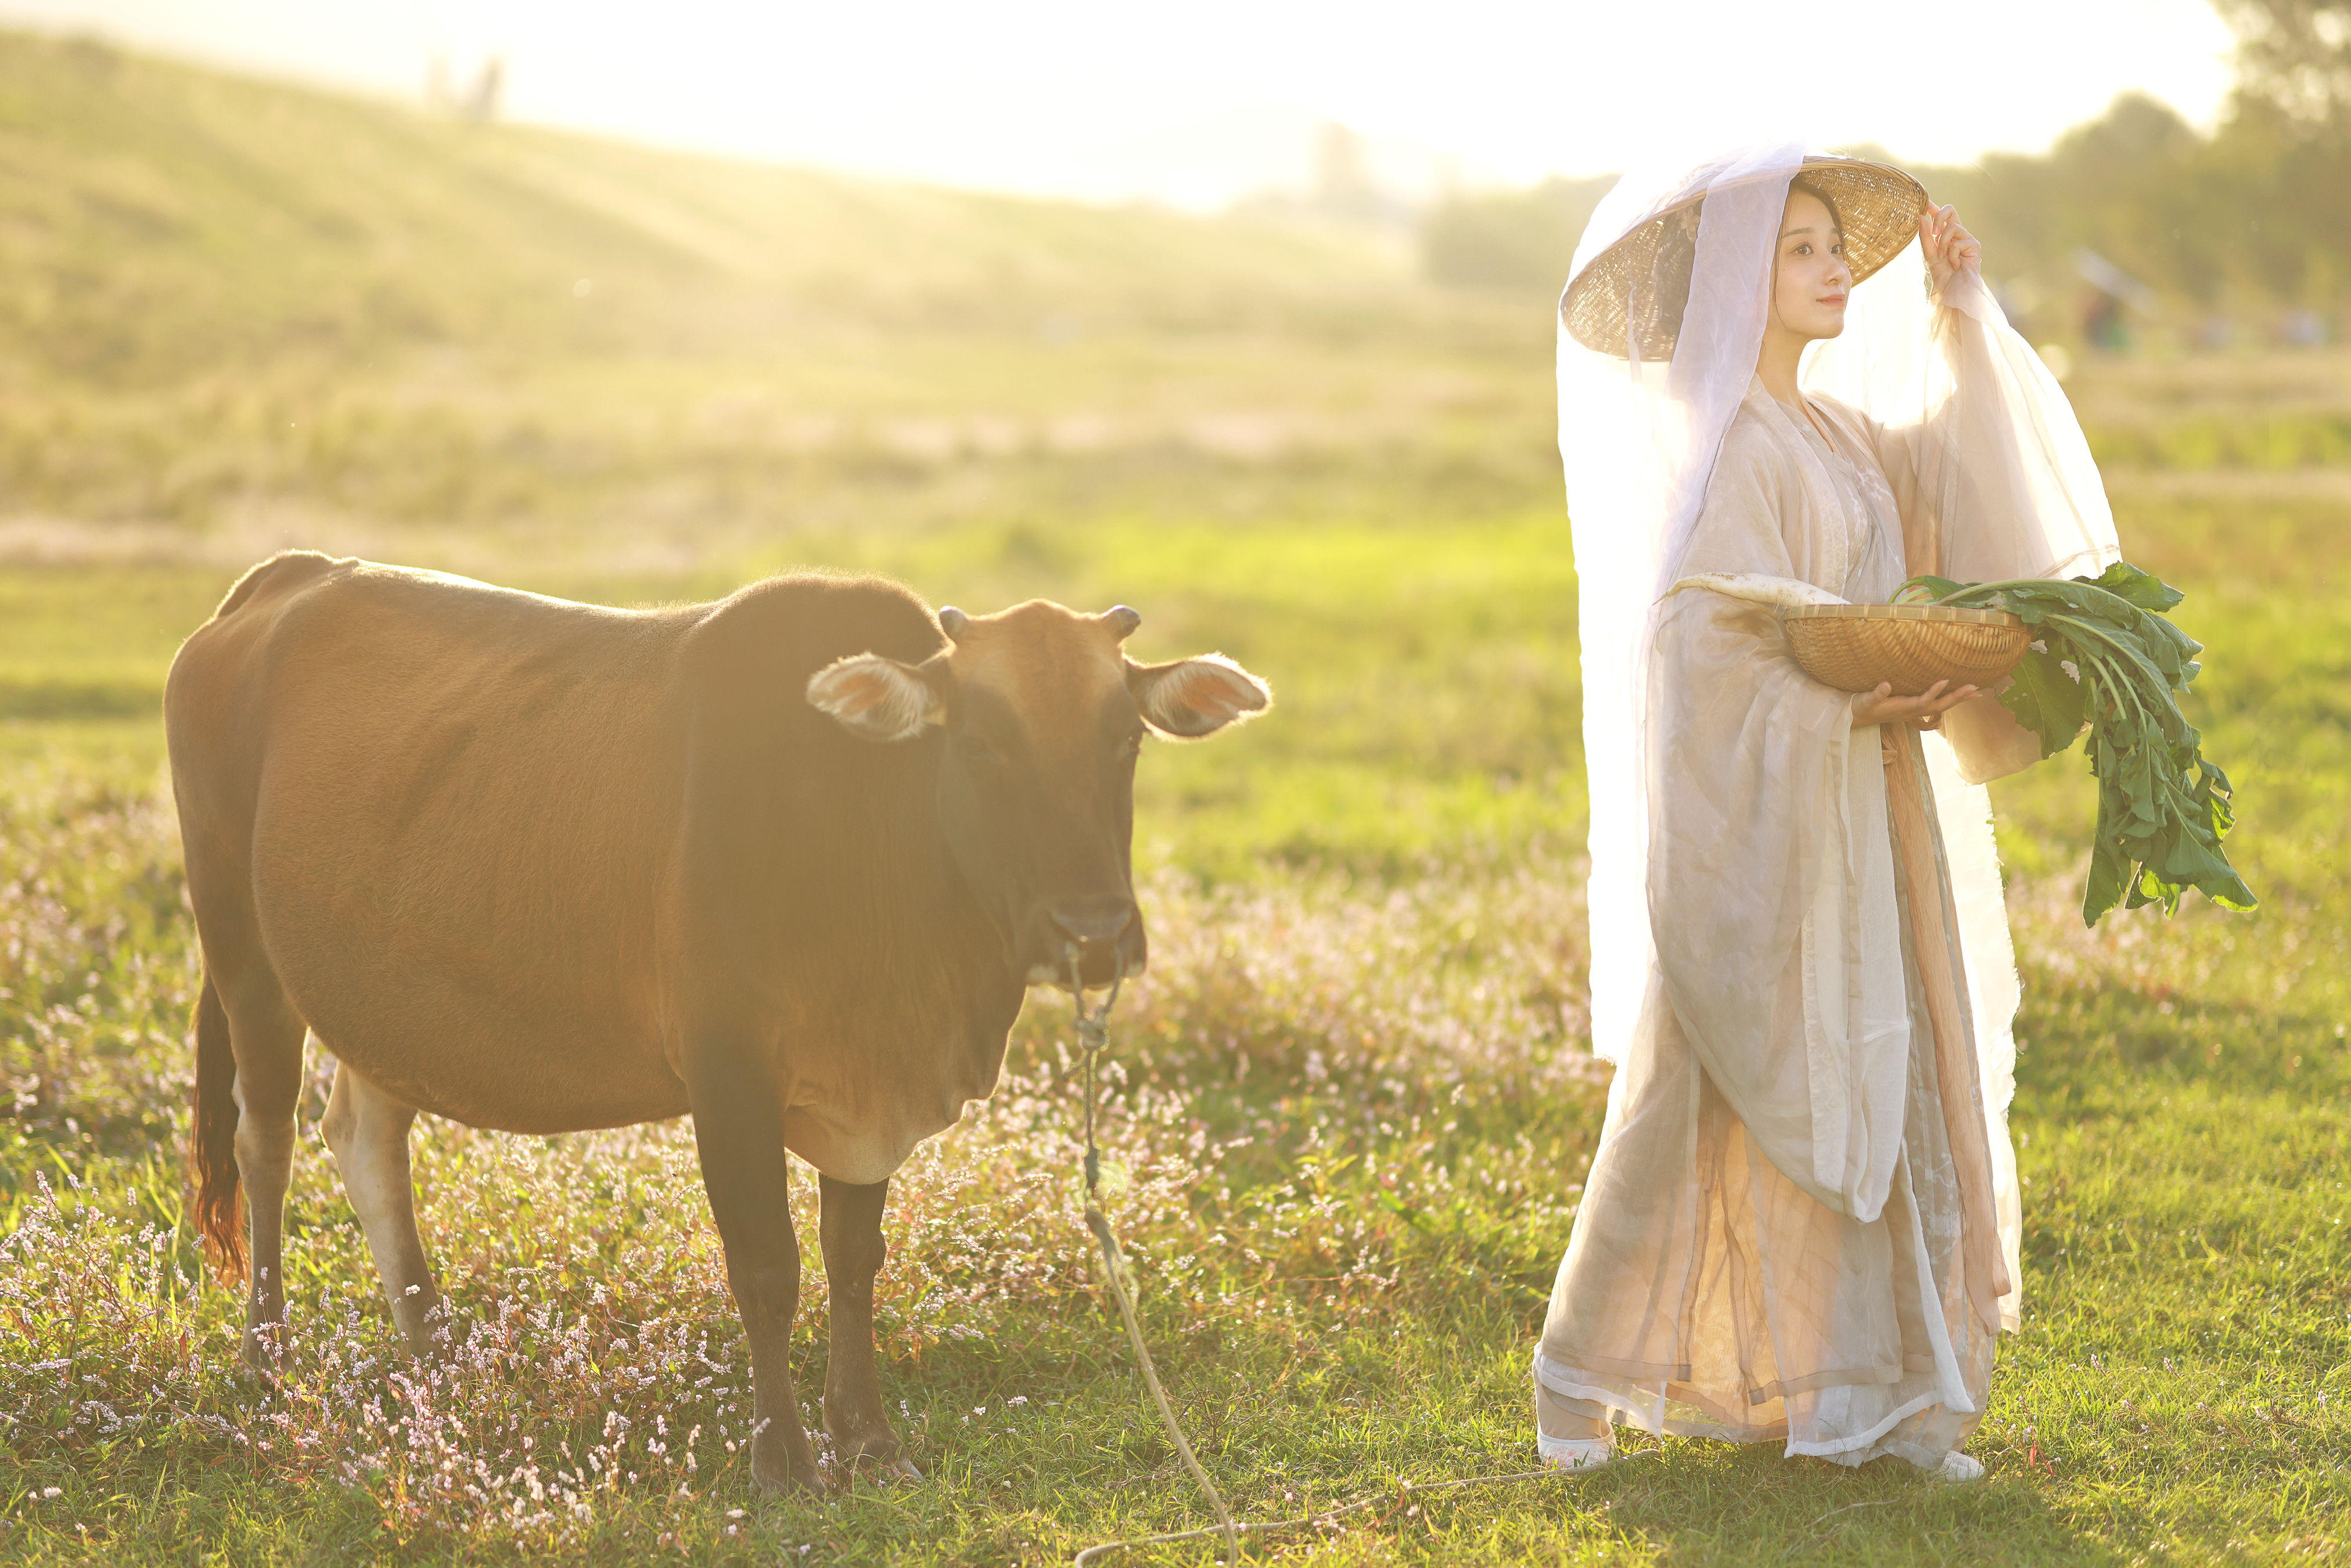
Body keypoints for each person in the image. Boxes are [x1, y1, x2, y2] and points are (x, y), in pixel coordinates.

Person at [1533, 149, 2121, 1481]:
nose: (1831, 270)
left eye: (1831, 248)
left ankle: (1881, 1386)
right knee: (1693, 1082)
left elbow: (1939, 486)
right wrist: (1835, 717)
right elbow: (1701, 649)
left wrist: (1961, 319)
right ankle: (1575, 1377)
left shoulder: (1833, 432)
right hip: (1771, 810)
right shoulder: (1730, 447)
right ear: (1739, 278)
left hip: (1868, 808)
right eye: (1798, 251)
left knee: (1885, 1052)